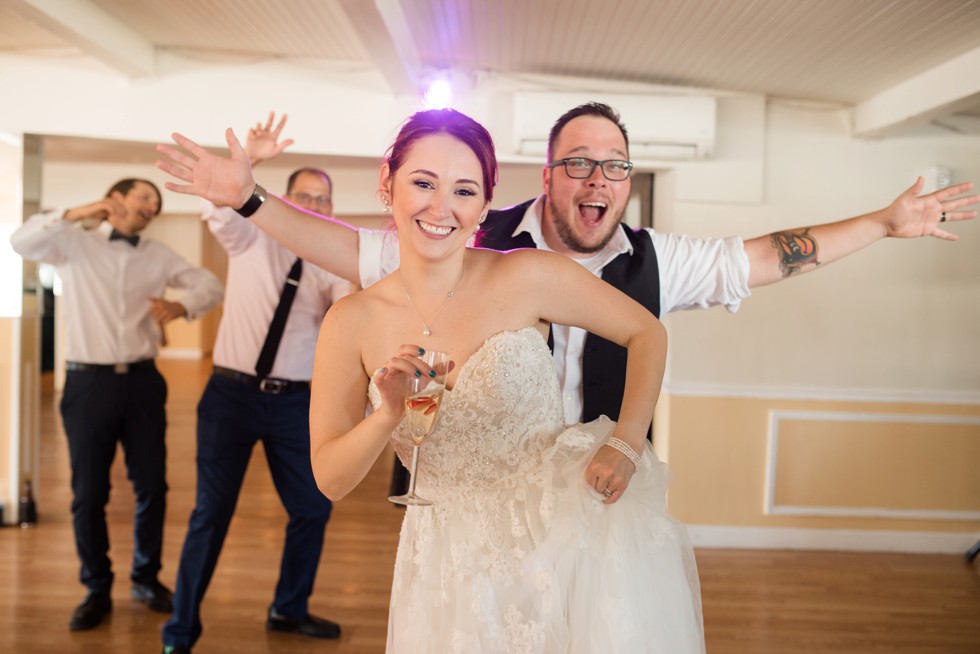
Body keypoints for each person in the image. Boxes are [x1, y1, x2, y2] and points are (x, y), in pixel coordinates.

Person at [155, 103, 977, 492]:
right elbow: (344, 247)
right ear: (546, 176)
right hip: (460, 503)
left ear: (625, 182)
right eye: (578, 162)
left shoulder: (661, 259)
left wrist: (883, 222)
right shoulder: (465, 236)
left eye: (614, 165)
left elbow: (772, 256)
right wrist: (249, 202)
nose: (597, 178)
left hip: (595, 497)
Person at [327, 108, 701, 650]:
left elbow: (648, 334)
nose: (441, 207)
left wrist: (625, 441)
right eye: (423, 183)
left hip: (560, 540)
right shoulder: (350, 322)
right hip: (442, 564)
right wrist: (386, 414)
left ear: (484, 203)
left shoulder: (527, 274)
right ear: (388, 184)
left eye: (463, 190)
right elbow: (331, 480)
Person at [161, 114, 349, 654]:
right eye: (305, 197)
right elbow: (219, 210)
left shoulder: (333, 260)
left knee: (313, 509)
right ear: (285, 200)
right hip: (230, 397)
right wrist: (252, 163)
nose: (315, 207)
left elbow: (344, 310)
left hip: (295, 404)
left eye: (323, 200)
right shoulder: (251, 237)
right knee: (209, 516)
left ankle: (288, 609)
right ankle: (180, 631)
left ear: (331, 209)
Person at [10, 179, 224, 631]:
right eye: (144, 196)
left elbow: (209, 285)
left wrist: (180, 306)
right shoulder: (72, 245)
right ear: (116, 199)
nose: (152, 206)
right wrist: (78, 211)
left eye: (157, 202)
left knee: (152, 487)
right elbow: (20, 241)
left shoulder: (157, 254)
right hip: (87, 385)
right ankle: (96, 587)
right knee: (89, 494)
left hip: (144, 383)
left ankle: (146, 578)